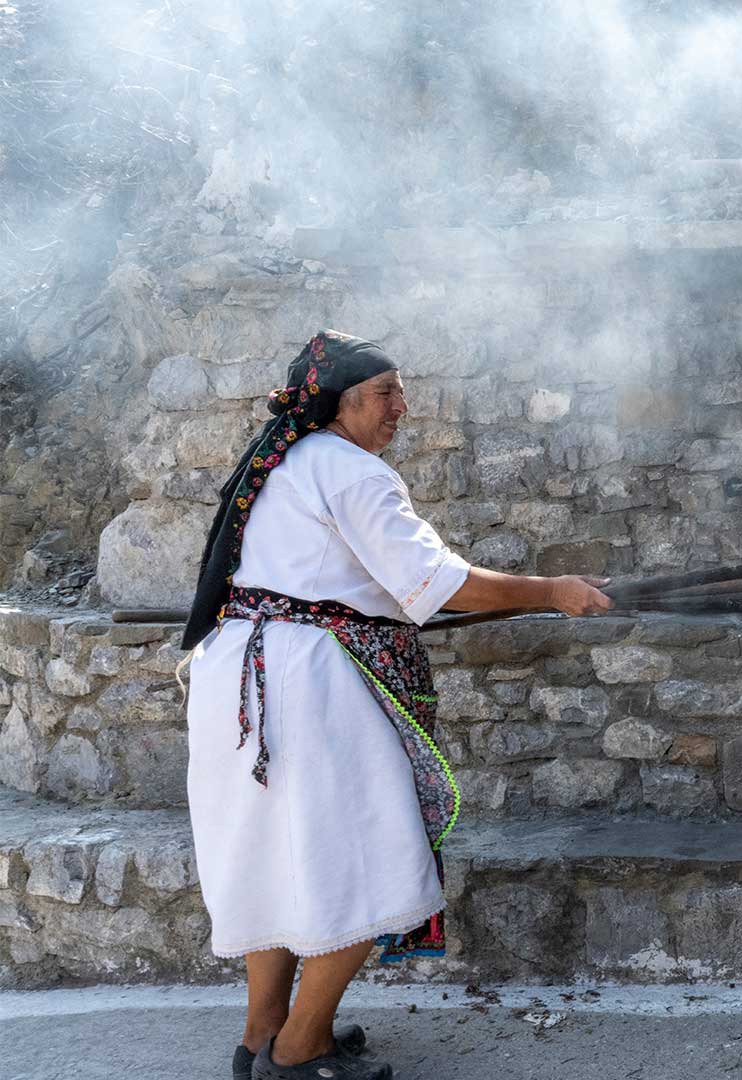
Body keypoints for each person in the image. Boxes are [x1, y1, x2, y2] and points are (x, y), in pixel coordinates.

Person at [180, 331, 612, 1080]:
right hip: (307, 684)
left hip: (241, 674)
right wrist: (552, 590)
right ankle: (300, 1048)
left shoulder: (278, 462)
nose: (401, 408)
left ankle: (260, 1036)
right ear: (342, 404)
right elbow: (435, 584)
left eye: (400, 392)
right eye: (386, 393)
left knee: (273, 858)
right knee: (376, 853)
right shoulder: (350, 470)